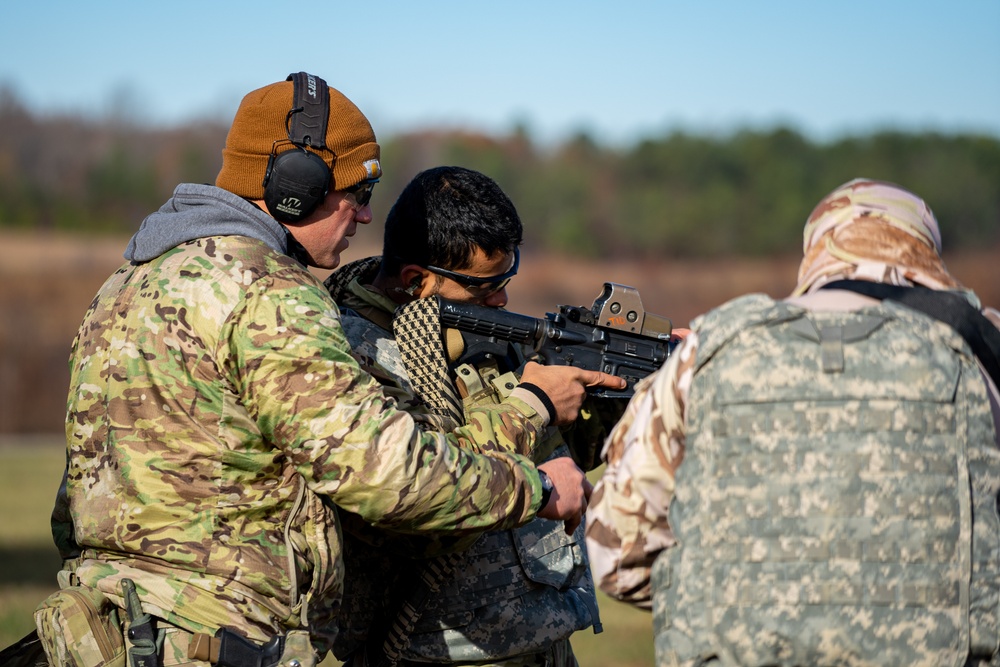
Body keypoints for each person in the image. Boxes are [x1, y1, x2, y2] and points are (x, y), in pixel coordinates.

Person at [36, 72, 623, 667]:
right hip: (213, 638)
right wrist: (539, 480)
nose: (364, 219)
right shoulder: (266, 292)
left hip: (110, 631)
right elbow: (387, 476)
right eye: (356, 195)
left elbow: (76, 502)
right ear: (295, 189)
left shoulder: (126, 283)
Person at [586, 178, 1000, 667]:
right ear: (925, 250)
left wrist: (748, 605)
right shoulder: (984, 347)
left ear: (816, 252)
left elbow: (617, 555)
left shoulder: (710, 348)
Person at [323, 166, 619, 667]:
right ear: (418, 280)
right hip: (431, 650)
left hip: (540, 639)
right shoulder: (348, 354)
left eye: (507, 278)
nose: (502, 299)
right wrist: (534, 404)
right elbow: (423, 493)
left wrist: (617, 387)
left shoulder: (469, 328)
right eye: (485, 287)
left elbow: (560, 458)